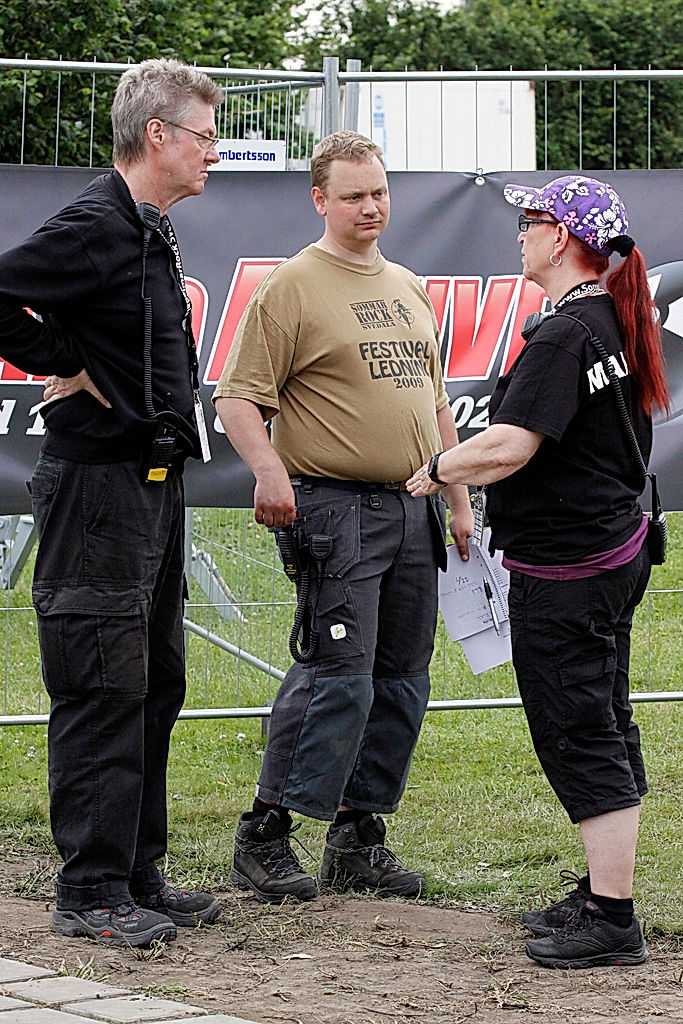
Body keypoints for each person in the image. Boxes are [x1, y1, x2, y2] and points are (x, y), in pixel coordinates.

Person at [407, 175, 669, 969]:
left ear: (562, 238)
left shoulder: (567, 334)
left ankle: (612, 919)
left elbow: (510, 445)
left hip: (571, 566)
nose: (518, 232)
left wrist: (432, 467)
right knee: (600, 718)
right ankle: (599, 891)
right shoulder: (602, 321)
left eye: (530, 221)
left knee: (578, 730)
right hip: (606, 553)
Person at [213, 130, 473, 903]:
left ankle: (358, 838)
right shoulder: (291, 286)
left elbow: (432, 403)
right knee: (338, 677)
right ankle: (264, 834)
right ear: (319, 199)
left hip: (414, 504)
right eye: (354, 194)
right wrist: (270, 475)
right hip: (333, 508)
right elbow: (236, 397)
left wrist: (458, 500)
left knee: (400, 680)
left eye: (379, 192)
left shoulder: (406, 285)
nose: (370, 206)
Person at [0, 58, 224, 947]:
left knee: (154, 681)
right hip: (96, 491)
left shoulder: (151, 229)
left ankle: (136, 872)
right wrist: (62, 360)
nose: (213, 152)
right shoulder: (95, 222)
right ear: (157, 136)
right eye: (204, 137)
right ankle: (89, 889)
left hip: (153, 489)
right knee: (102, 683)